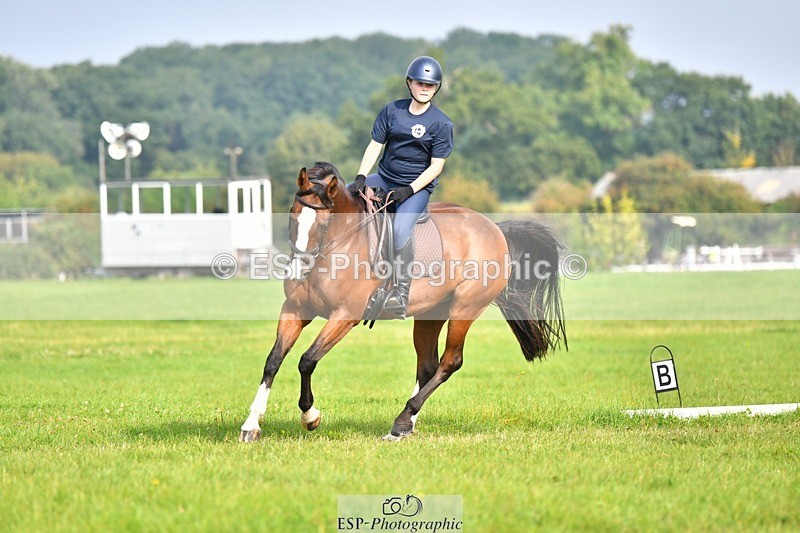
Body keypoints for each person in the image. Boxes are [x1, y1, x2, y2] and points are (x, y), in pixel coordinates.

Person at [352, 55, 454, 319]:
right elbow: (376, 145)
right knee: (345, 195)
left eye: (430, 85)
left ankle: (400, 291)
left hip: (416, 188)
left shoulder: (441, 123)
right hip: (384, 178)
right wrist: (362, 176)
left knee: (399, 230)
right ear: (409, 83)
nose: (424, 88)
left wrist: (410, 190)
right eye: (419, 83)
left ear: (436, 88)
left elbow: (436, 166)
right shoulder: (392, 111)